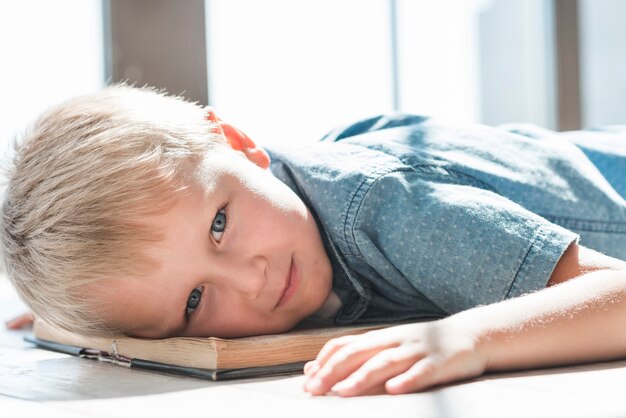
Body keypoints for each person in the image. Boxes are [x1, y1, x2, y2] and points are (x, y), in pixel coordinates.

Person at [2, 85, 626, 397]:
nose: (254, 280)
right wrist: (82, 312)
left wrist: (470, 335)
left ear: (240, 143)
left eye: (220, 224)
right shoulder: (257, 206)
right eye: (194, 300)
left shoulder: (380, 207)